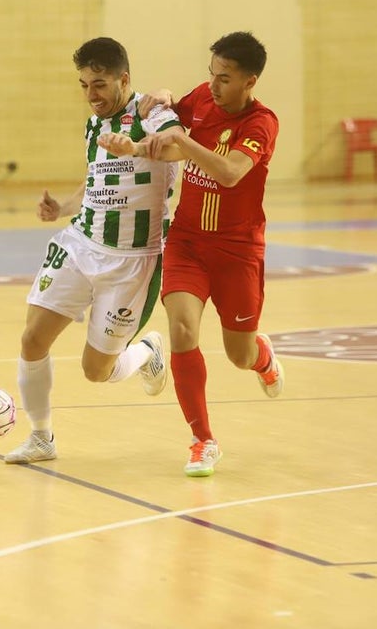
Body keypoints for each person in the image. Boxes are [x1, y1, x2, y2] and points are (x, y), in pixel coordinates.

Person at [98, 31, 283, 478]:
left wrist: (184, 141)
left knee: (238, 354)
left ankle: (262, 358)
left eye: (224, 78)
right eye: (211, 75)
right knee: (181, 330)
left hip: (238, 250)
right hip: (187, 242)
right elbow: (166, 134)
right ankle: (203, 440)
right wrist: (139, 142)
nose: (214, 85)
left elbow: (230, 172)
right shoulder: (199, 99)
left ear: (249, 81)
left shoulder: (261, 124)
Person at [2, 37, 181, 465]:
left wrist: (140, 143)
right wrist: (62, 207)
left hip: (133, 260)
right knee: (32, 339)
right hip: (81, 243)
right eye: (83, 85)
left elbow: (179, 146)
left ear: (124, 79)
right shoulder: (93, 125)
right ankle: (41, 438)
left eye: (99, 84)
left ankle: (146, 352)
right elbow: (97, 181)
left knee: (96, 371)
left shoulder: (152, 112)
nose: (91, 95)